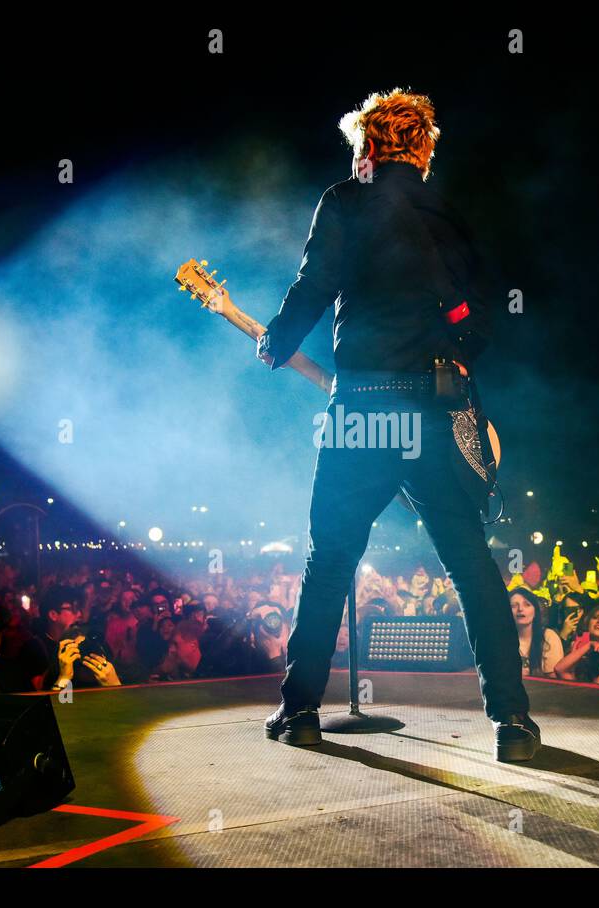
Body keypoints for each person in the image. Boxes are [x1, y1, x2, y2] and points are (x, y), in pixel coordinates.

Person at [228, 88, 538, 761]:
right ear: (424, 146)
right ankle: (513, 723)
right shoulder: (447, 212)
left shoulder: (345, 199)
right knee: (471, 564)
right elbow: (479, 323)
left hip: (363, 407)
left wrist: (278, 342)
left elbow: (314, 284)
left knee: (331, 557)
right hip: (438, 405)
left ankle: (301, 710)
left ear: (367, 146)